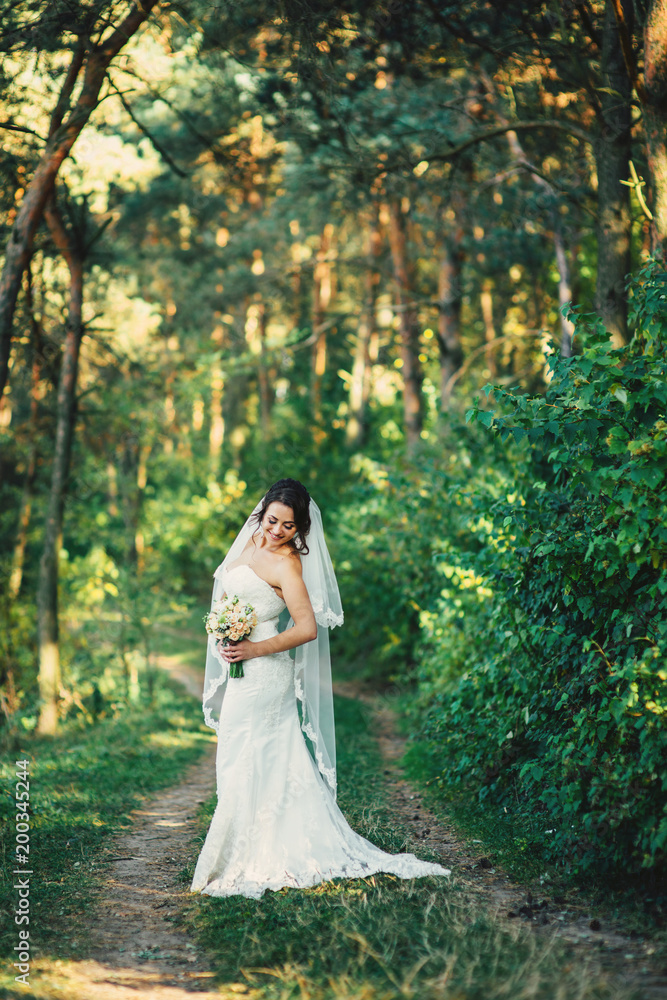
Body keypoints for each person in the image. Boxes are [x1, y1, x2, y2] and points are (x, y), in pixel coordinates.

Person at [190, 478, 450, 899]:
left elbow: (307, 628)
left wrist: (253, 648)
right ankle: (238, 845)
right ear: (262, 513)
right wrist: (225, 632)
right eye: (273, 520)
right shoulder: (246, 545)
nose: (277, 531)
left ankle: (251, 853)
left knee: (258, 755)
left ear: (301, 529)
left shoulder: (289, 564)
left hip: (266, 673)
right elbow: (227, 593)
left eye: (289, 527)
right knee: (237, 752)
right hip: (243, 671)